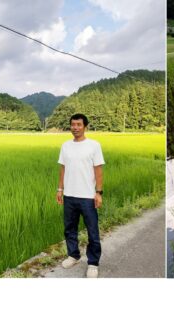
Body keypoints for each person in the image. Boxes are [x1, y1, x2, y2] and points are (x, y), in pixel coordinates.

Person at [56, 113, 105, 278]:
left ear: (85, 126)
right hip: (69, 195)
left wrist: (98, 192)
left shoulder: (94, 145)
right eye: (73, 124)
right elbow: (63, 168)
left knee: (92, 231)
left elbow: (98, 170)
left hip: (87, 196)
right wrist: (60, 189)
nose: (75, 128)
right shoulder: (65, 146)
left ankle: (93, 263)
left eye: (78, 125)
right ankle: (74, 255)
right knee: (70, 229)